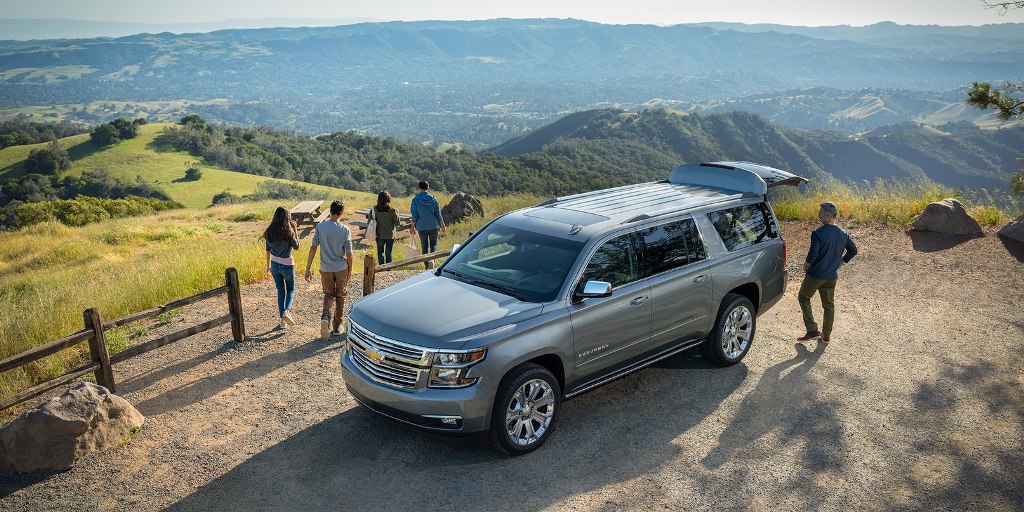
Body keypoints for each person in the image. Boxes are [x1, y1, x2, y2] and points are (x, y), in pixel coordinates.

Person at [797, 202, 858, 343]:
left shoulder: (818, 233)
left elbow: (813, 254)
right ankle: (826, 336)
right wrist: (840, 263)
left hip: (816, 275)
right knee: (829, 305)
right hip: (831, 276)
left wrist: (806, 264)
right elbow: (853, 251)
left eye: (821, 213)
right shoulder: (844, 234)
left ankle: (812, 330)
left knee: (803, 297)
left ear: (829, 215)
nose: (819, 215)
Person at [304, 200, 353, 341]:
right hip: (341, 268)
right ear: (341, 213)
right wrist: (349, 270)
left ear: (330, 211)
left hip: (325, 268)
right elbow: (349, 254)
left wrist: (308, 268)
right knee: (341, 296)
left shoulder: (321, 227)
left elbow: (313, 247)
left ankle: (325, 316)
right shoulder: (345, 230)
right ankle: (337, 326)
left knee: (328, 294)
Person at [264, 207, 300, 330]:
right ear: (287, 218)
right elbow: (297, 247)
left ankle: (282, 321)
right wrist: (295, 230)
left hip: (274, 264)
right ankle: (286, 311)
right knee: (291, 289)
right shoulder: (288, 232)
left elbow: (267, 250)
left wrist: (267, 266)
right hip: (287, 265)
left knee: (280, 291)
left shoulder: (269, 231)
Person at [409, 180, 446, 268]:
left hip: (421, 227)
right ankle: (432, 260)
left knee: (424, 245)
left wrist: (412, 227)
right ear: (428, 188)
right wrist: (443, 225)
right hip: (433, 225)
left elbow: (414, 215)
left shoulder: (415, 200)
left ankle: (426, 265)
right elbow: (438, 214)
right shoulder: (434, 199)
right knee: (434, 244)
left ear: (419, 188)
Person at [369, 190, 402, 265]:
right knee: (388, 252)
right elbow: (398, 223)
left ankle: (381, 268)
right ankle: (388, 268)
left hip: (379, 234)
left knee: (380, 252)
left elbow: (369, 223)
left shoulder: (374, 210)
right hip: (390, 235)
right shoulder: (393, 210)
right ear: (388, 199)